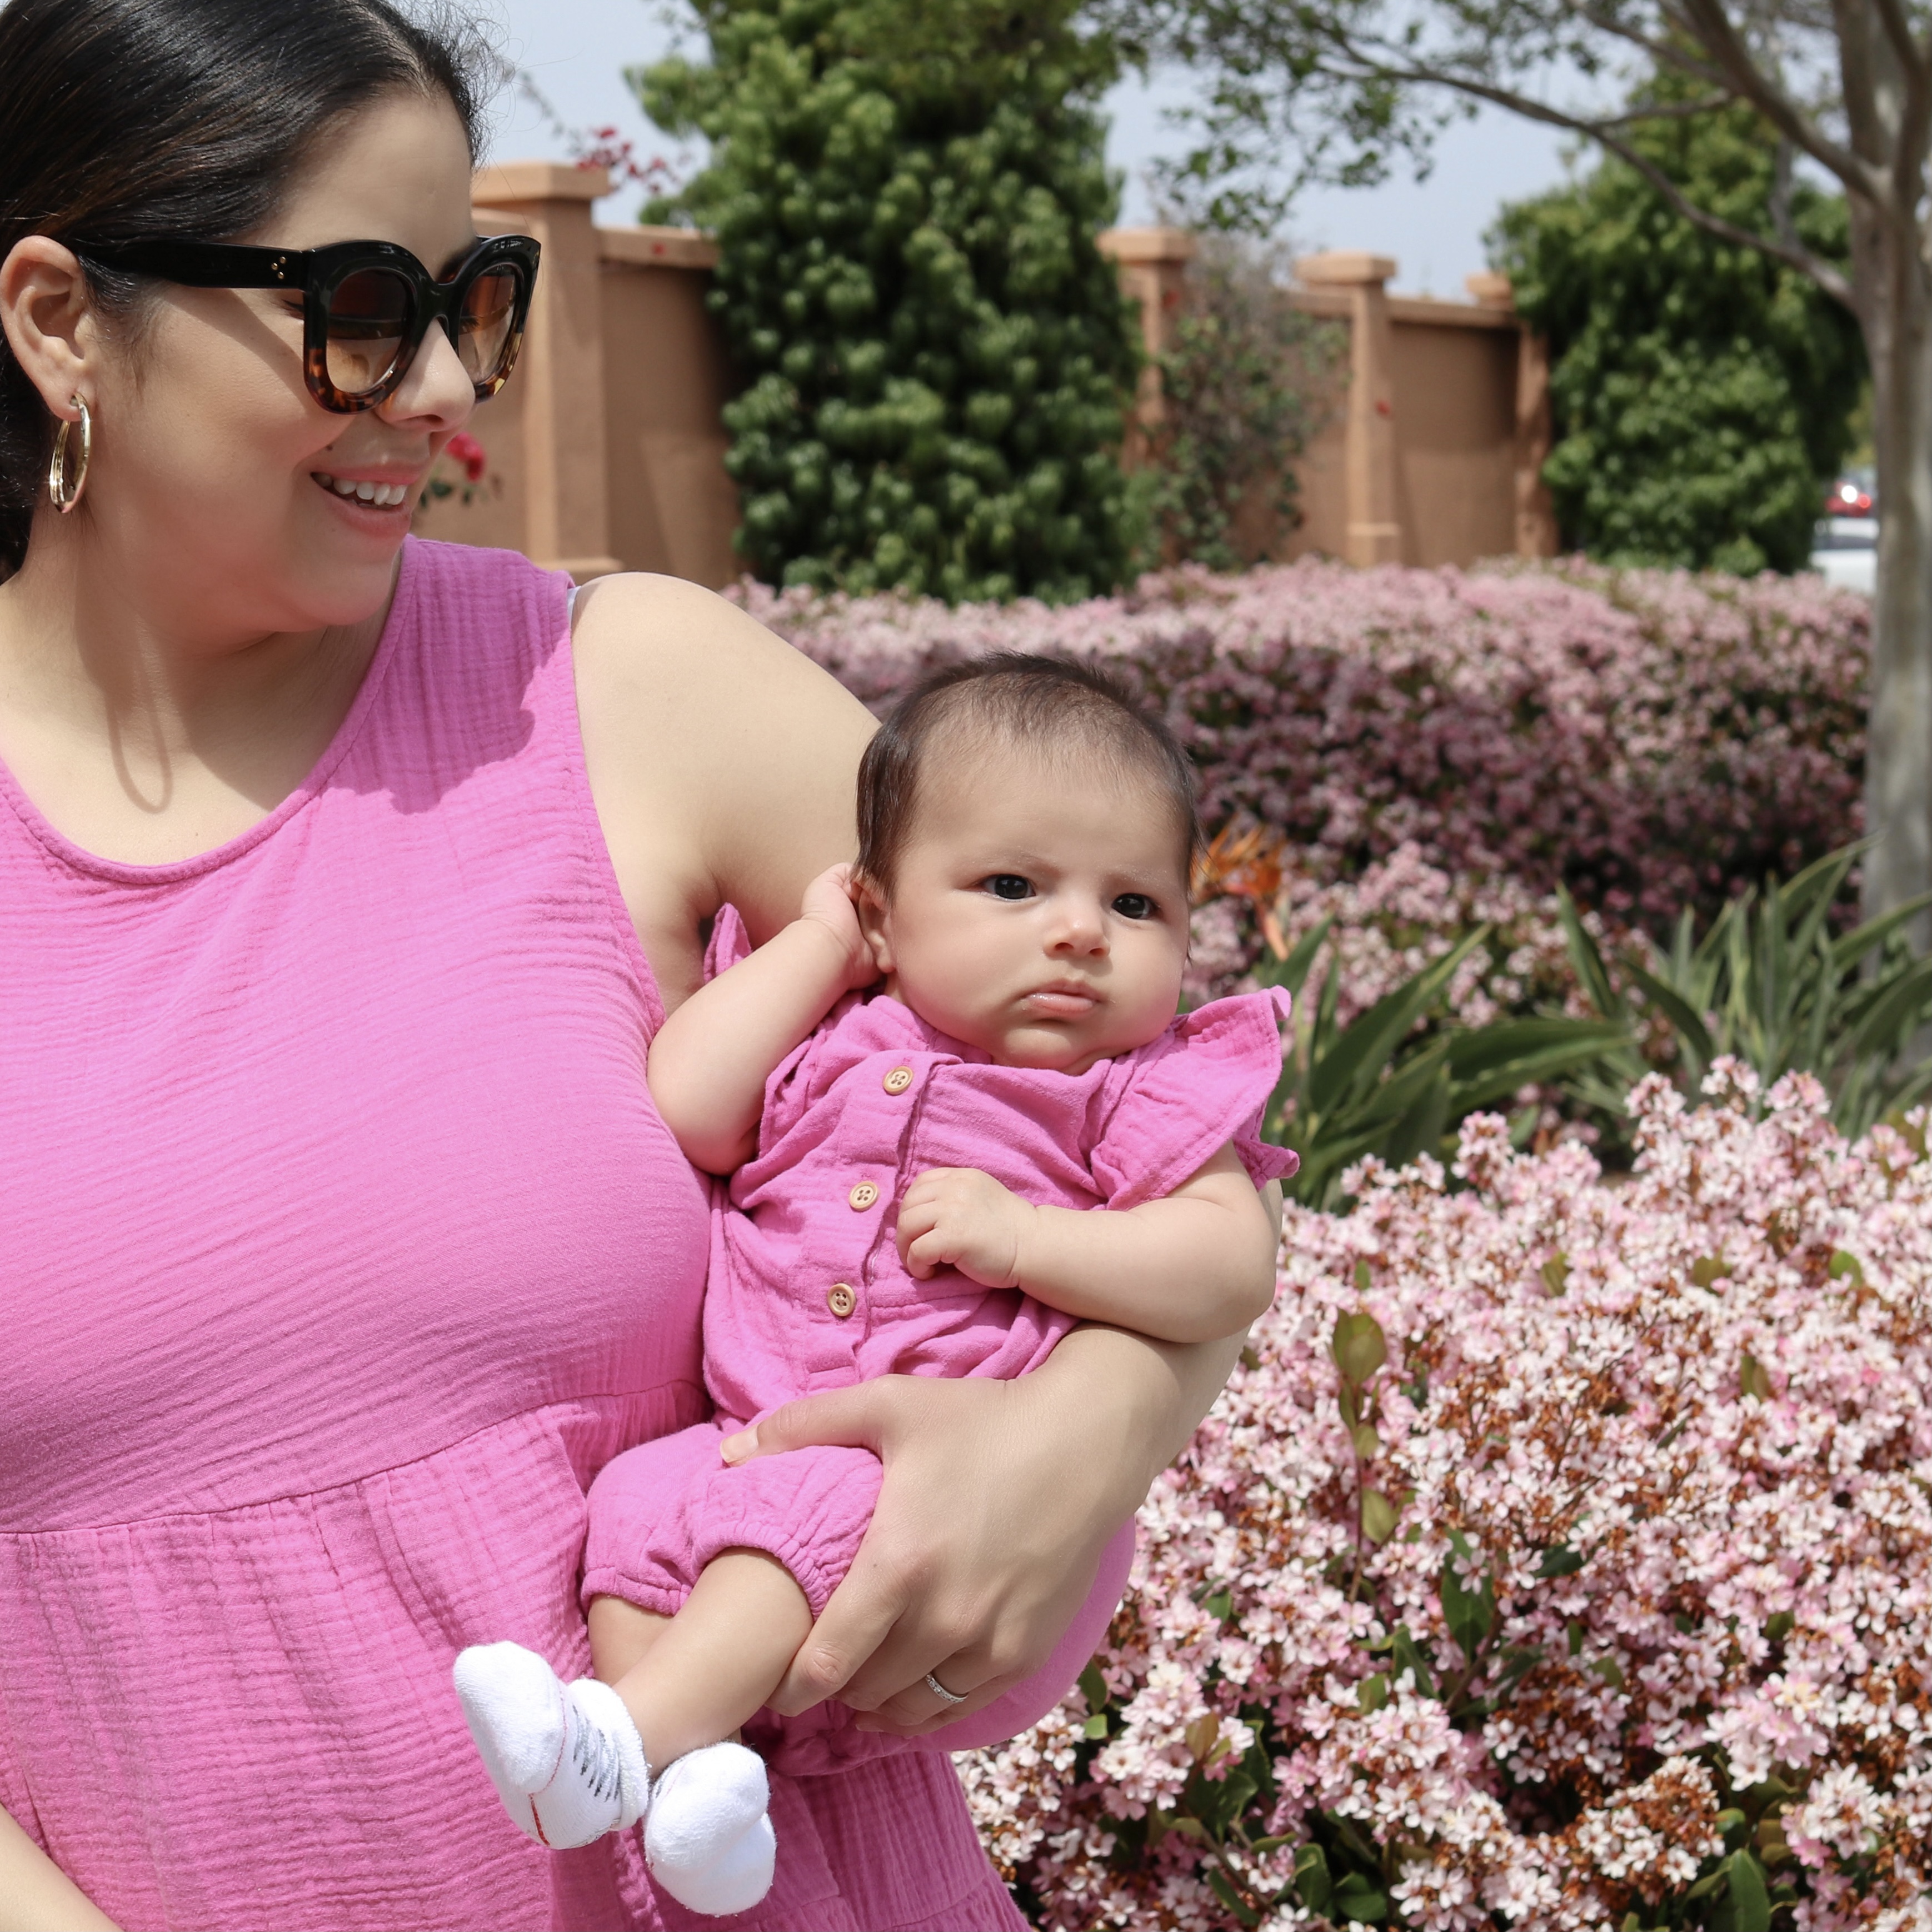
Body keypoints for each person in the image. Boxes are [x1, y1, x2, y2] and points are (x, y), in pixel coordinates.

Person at [0, 2, 1265, 1928]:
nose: (441, 389)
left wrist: (1087, 1433)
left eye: (470, 298)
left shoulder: (619, 689)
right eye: (356, 303)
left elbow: (1142, 1075)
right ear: (59, 316)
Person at [453, 656, 1295, 1915]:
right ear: (885, 915)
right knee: (634, 1506)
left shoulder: (1123, 1092)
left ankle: (619, 1740)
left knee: (808, 1509)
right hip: (753, 1454)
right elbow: (691, 1105)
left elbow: (1231, 1265)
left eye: (1134, 904)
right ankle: (704, 1796)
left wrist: (1028, 1243)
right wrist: (818, 947)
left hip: (943, 1517)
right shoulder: (836, 1029)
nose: (1076, 930)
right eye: (1011, 886)